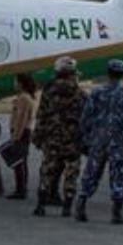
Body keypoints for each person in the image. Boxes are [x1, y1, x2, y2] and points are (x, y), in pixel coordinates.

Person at [76, 58, 123, 225]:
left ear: (108, 73)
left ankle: (81, 204)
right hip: (117, 141)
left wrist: (86, 137)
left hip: (98, 139)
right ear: (122, 74)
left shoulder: (96, 93)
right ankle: (116, 213)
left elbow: (85, 117)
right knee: (119, 174)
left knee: (91, 172)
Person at [32, 56, 85, 217]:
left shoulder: (48, 90)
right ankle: (67, 207)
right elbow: (85, 119)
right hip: (72, 140)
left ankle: (41, 206)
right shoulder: (80, 93)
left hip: (51, 138)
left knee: (47, 170)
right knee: (71, 173)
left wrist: (37, 137)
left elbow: (41, 115)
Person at [5, 73, 38, 200]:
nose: (14, 84)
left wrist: (16, 136)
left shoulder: (24, 98)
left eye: (15, 81)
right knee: (22, 161)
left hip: (21, 132)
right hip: (24, 131)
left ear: (20, 83)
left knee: (18, 162)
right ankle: (22, 188)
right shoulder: (25, 97)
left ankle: (20, 189)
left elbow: (21, 119)